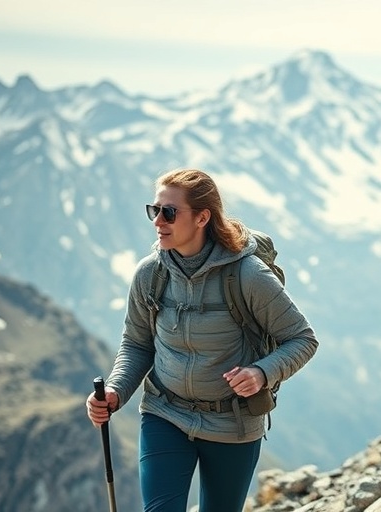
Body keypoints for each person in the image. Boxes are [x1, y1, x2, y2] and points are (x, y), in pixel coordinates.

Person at [85, 168, 318, 512]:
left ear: (202, 217)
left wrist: (261, 373)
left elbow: (302, 339)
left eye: (169, 212)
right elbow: (137, 344)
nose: (158, 221)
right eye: (154, 210)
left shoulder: (248, 275)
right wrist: (116, 391)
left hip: (233, 423)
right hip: (165, 413)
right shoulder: (150, 275)